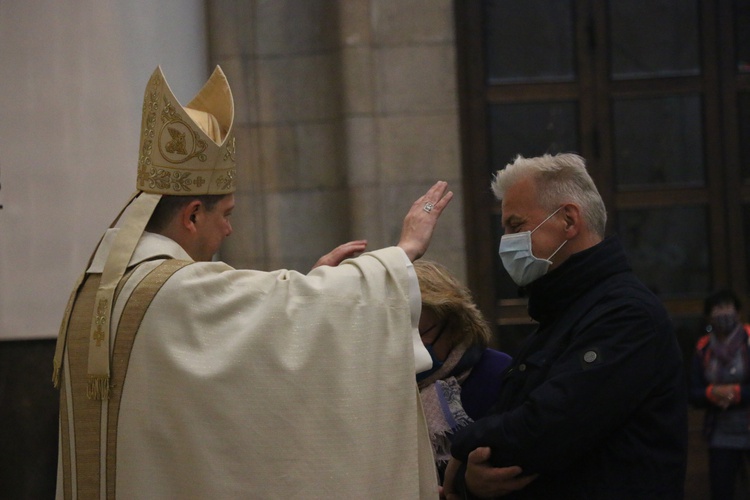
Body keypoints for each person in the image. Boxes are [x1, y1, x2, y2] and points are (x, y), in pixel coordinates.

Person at [52, 66, 453, 499]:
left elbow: (249, 339)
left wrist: (316, 284)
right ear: (191, 216)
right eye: (225, 214)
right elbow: (268, 318)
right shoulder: (172, 291)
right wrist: (402, 254)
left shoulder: (101, 285)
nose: (228, 231)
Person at [442, 153, 687, 499]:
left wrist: (462, 449)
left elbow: (544, 429)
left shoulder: (627, 316)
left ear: (569, 220)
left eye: (515, 225)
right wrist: (470, 480)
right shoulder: (559, 316)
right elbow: (508, 423)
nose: (506, 243)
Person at [414, 260, 512, 480]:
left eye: (419, 335)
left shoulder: (498, 373)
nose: (409, 348)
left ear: (454, 324)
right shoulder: (380, 385)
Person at [690, 289, 750, 500]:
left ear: (738, 312)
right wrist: (712, 393)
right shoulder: (703, 348)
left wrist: (736, 393)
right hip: (720, 433)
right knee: (722, 490)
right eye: (717, 309)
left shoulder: (749, 340)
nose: (723, 313)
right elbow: (693, 392)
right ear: (708, 316)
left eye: (727, 307)